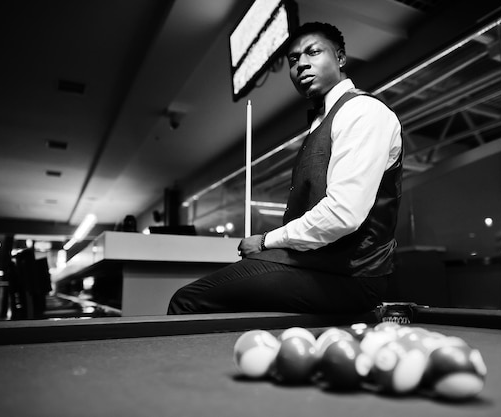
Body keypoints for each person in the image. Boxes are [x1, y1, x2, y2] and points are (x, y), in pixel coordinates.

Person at [167, 22, 403, 315]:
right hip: (317, 268)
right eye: (294, 60)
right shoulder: (321, 122)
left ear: (340, 58)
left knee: (187, 299)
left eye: (313, 52)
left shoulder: (363, 111)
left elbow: (343, 214)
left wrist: (266, 242)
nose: (302, 64)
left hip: (351, 277)